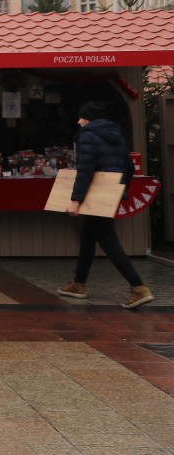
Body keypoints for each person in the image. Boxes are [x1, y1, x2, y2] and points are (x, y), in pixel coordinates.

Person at [57, 102, 153, 309]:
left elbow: (85, 171)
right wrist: (120, 189)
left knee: (108, 240)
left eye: (81, 117)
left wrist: (75, 200)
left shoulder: (87, 136)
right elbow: (128, 167)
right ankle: (78, 284)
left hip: (94, 195)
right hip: (110, 192)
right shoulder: (116, 135)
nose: (78, 121)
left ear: (88, 118)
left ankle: (138, 287)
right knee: (88, 237)